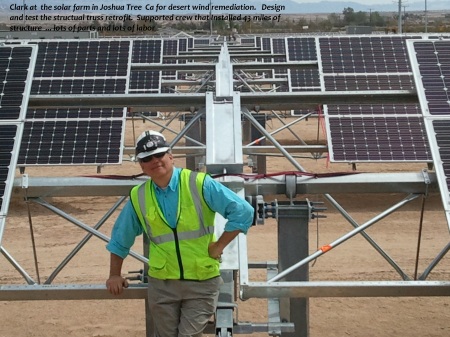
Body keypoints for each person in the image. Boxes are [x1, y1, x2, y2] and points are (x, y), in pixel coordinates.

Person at [106, 130, 254, 337]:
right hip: (162, 284)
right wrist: (114, 274)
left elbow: (243, 212)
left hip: (201, 281)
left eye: (159, 155)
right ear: (141, 165)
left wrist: (219, 245)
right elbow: (121, 238)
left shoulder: (199, 183)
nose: (155, 161)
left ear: (171, 155)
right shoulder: (138, 196)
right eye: (147, 158)